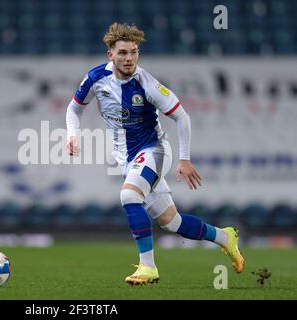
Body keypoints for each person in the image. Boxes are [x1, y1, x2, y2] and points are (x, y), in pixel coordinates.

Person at [65, 22, 244, 285]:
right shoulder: (95, 78)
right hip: (128, 159)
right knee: (172, 222)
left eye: (134, 52)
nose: (129, 58)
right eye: (123, 53)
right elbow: (74, 108)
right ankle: (225, 237)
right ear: (110, 55)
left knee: (128, 195)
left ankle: (148, 267)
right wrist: (72, 133)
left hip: (154, 150)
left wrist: (184, 159)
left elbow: (182, 117)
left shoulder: (146, 84)